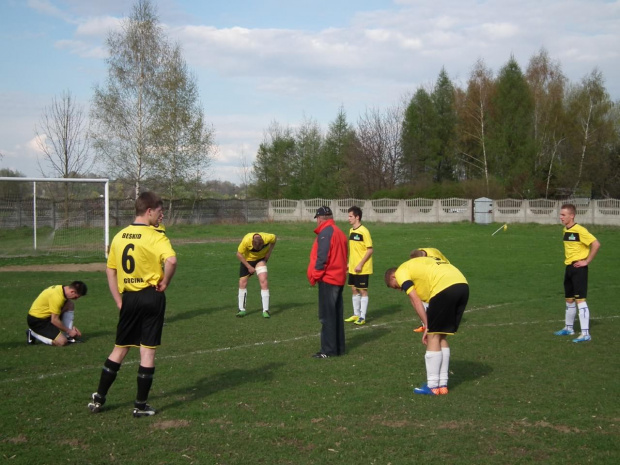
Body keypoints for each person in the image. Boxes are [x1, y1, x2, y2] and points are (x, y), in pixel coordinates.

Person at [88, 191, 177, 418]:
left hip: (129, 298)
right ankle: (140, 405)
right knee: (147, 353)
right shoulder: (156, 236)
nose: (161, 215)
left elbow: (110, 269)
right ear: (149, 211)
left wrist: (119, 299)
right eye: (159, 211)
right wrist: (165, 282)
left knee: (120, 348)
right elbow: (172, 260)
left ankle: (98, 398)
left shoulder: (120, 236)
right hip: (151, 296)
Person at [385, 257, 469, 395]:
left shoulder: (401, 272)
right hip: (462, 285)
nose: (400, 289)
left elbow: (415, 299)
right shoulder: (417, 264)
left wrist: (427, 327)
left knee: (433, 336)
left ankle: (432, 386)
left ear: (393, 275)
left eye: (396, 286)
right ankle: (442, 385)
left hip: (444, 288)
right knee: (441, 335)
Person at [554, 203, 601, 343]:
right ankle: (569, 328)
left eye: (563, 215)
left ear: (572, 215)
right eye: (560, 214)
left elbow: (596, 244)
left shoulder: (580, 230)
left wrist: (587, 261)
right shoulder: (565, 230)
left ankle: (586, 333)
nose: (560, 217)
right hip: (569, 268)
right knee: (569, 299)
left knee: (580, 300)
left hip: (579, 269)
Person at [307, 206, 348, 358]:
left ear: (319, 218)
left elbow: (322, 257)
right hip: (338, 278)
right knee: (336, 314)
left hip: (328, 278)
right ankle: (338, 347)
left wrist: (316, 275)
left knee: (327, 316)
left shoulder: (325, 233)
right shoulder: (339, 232)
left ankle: (328, 350)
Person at [26, 281, 88, 346]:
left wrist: (70, 329)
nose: (76, 299)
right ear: (72, 292)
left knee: (70, 304)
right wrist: (69, 331)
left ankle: (68, 336)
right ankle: (32, 332)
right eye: (76, 297)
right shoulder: (57, 297)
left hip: (47, 317)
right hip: (37, 321)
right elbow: (54, 320)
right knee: (62, 342)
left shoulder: (62, 289)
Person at [409, 248, 451, 333]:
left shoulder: (433, 256)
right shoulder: (419, 253)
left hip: (444, 275)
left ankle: (437, 322)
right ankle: (426, 323)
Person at [236, 232, 277, 318]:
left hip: (260, 260)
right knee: (242, 282)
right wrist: (249, 267)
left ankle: (266, 310)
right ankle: (241, 309)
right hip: (247, 261)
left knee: (263, 280)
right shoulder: (246, 240)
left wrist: (269, 253)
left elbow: (274, 239)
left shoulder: (268, 237)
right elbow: (239, 254)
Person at [344, 206, 373, 325]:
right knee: (353, 289)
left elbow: (370, 250)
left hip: (362, 268)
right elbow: (353, 250)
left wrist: (360, 264)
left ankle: (362, 316)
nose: (348, 218)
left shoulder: (364, 231)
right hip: (352, 267)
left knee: (362, 291)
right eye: (348, 216)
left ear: (357, 217)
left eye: (350, 216)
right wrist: (349, 263)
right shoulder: (351, 231)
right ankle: (356, 314)